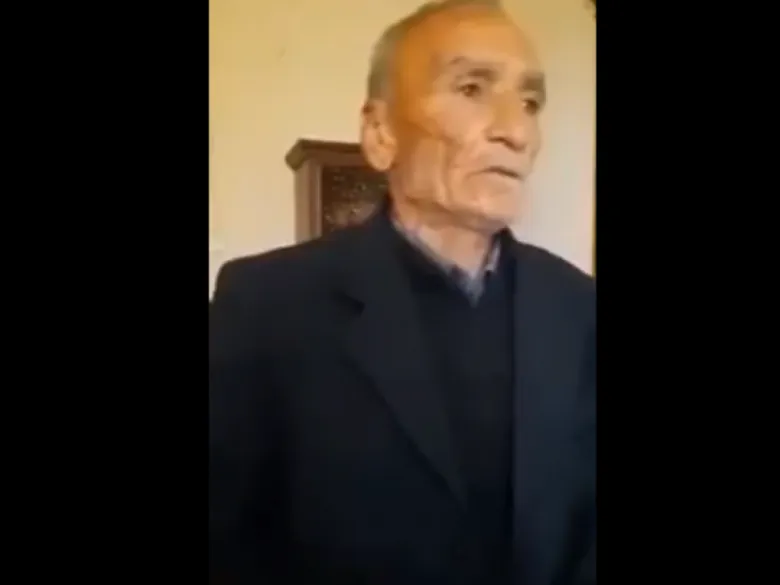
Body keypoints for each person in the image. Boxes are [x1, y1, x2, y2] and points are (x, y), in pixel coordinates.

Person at [209, 1, 595, 584]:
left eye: (531, 103)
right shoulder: (265, 305)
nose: (516, 131)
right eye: (472, 88)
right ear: (381, 133)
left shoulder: (579, 309)